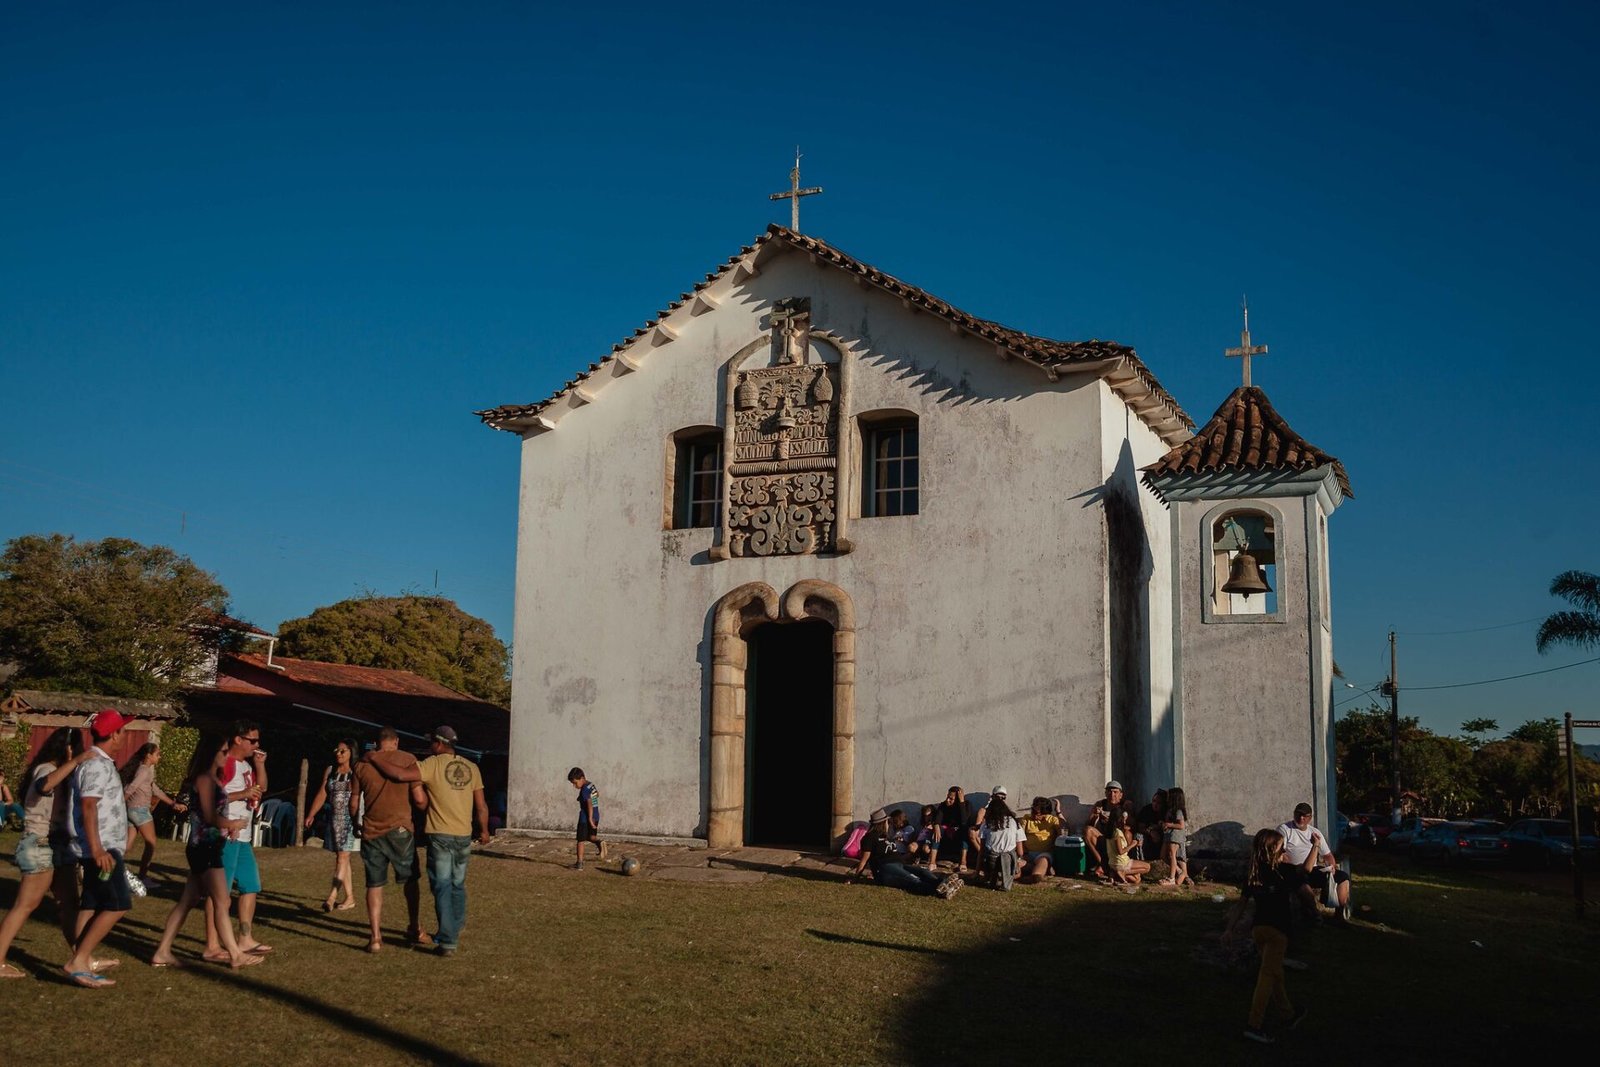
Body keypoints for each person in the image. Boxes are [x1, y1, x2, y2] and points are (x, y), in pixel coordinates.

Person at [367, 725, 491, 956]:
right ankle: (455, 924)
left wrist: (374, 757)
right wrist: (483, 830)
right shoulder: (471, 768)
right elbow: (481, 805)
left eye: (431, 742)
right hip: (463, 835)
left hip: (441, 835)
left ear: (439, 743)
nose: (429, 746)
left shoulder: (432, 764)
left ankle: (448, 941)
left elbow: (399, 774)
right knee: (457, 883)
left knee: (442, 885)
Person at [149, 738, 263, 971]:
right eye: (222, 751)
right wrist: (232, 823)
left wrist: (227, 828)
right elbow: (209, 816)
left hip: (209, 844)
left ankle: (162, 950)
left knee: (187, 901)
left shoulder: (212, 780)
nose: (225, 755)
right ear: (211, 755)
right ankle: (234, 953)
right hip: (204, 847)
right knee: (222, 901)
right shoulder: (204, 780)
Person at [0, 729, 95, 979]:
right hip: (40, 843)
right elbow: (44, 786)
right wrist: (75, 761)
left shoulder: (62, 772)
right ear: (66, 748)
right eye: (76, 747)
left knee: (69, 904)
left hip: (58, 845)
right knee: (26, 904)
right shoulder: (46, 769)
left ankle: (82, 958)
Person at [63, 709, 134, 988]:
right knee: (118, 905)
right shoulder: (95, 765)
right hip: (102, 847)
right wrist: (97, 849)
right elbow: (88, 805)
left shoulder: (102, 762)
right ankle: (78, 960)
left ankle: (83, 957)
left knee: (91, 903)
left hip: (102, 845)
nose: (124, 737)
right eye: (122, 731)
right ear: (114, 733)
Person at [207, 721, 271, 959]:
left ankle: (245, 937)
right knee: (219, 892)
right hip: (227, 833)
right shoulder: (227, 764)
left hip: (243, 835)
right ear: (238, 739)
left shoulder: (245, 765)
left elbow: (261, 787)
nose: (256, 745)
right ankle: (212, 944)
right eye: (252, 740)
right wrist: (243, 795)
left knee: (251, 885)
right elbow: (214, 797)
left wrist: (260, 765)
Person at [1240, 828, 1311, 1044]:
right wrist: (1315, 846)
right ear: (1274, 850)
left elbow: (1240, 905)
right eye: (1282, 846)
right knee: (1268, 975)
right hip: (1278, 931)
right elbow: (1306, 874)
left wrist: (1229, 929)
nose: (1285, 849)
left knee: (1275, 971)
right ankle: (1254, 1024)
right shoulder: (1283, 871)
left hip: (1258, 930)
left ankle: (1288, 1014)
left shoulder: (1255, 873)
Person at [356, 728, 423, 952]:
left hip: (372, 829)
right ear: (396, 741)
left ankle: (375, 936)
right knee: (410, 880)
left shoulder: (361, 765)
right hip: (400, 827)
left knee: (374, 884)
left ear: (376, 743)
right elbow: (419, 797)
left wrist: (355, 822)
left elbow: (354, 801)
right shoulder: (408, 760)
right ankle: (414, 926)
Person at [848, 808, 961, 899]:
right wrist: (855, 878)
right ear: (882, 823)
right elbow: (864, 860)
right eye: (888, 821)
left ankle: (944, 883)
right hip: (885, 869)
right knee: (912, 879)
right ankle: (940, 891)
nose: (889, 824)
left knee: (922, 871)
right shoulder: (869, 838)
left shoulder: (886, 836)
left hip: (899, 863)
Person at [304, 738, 361, 911]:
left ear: (351, 752)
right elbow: (322, 793)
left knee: (342, 858)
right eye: (337, 750)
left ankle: (332, 896)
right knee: (343, 858)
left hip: (349, 820)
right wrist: (311, 814)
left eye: (343, 751)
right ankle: (350, 897)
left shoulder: (356, 772)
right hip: (334, 819)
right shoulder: (330, 771)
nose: (339, 753)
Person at [121, 743, 186, 883]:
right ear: (149, 755)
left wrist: (173, 804)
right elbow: (131, 787)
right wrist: (119, 803)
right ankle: (143, 877)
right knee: (151, 843)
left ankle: (108, 869)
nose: (159, 757)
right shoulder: (144, 771)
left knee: (127, 846)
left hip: (132, 810)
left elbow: (155, 791)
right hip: (140, 811)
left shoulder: (145, 771)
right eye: (157, 754)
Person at [1277, 803, 1349, 916]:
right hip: (1294, 870)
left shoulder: (1314, 832)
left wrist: (1332, 866)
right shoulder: (1285, 829)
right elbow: (1281, 854)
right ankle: (1315, 913)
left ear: (1310, 818)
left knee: (1342, 877)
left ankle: (1340, 915)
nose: (1301, 818)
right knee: (1301, 881)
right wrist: (1293, 866)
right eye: (1298, 815)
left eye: (1305, 816)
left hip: (1313, 869)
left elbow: (1327, 855)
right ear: (1294, 814)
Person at [1084, 781, 1134, 880]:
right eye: (1109, 792)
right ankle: (1102, 864)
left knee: (1128, 834)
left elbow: (1133, 826)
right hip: (1105, 839)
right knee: (1087, 830)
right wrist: (1095, 816)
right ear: (1106, 793)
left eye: (1115, 792)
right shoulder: (1100, 804)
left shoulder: (1126, 805)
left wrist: (1113, 824)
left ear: (1121, 794)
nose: (1112, 795)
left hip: (1119, 840)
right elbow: (1089, 824)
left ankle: (1121, 865)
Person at [977, 787, 1025, 891]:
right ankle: (1007, 877)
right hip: (1008, 860)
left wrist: (977, 872)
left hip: (991, 861)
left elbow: (982, 851)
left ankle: (991, 877)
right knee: (1017, 858)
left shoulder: (986, 824)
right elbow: (1020, 852)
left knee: (990, 854)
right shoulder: (1015, 822)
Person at [1019, 796, 1067, 884]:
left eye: (1038, 814)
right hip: (1027, 854)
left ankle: (1035, 876)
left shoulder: (1052, 819)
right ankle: (1040, 869)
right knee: (1017, 864)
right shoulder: (1026, 818)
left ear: (1046, 813)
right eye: (1033, 812)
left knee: (1043, 861)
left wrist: (1058, 812)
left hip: (1044, 853)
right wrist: (1023, 853)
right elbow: (1019, 837)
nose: (1035, 815)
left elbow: (1064, 830)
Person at [568, 767, 605, 869]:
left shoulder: (584, 789)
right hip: (596, 815)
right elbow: (596, 795)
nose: (574, 786)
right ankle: (599, 842)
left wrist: (589, 818)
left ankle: (579, 863)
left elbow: (589, 803)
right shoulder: (590, 785)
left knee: (580, 840)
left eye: (575, 783)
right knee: (590, 837)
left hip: (585, 817)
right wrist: (582, 798)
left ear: (582, 778)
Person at [1158, 786, 1192, 888]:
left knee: (1172, 855)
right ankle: (1180, 871)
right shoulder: (1170, 810)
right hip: (1168, 834)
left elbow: (1181, 825)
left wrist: (1169, 825)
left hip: (1175, 835)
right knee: (1163, 855)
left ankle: (1171, 878)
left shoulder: (1178, 811)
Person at [1106, 810, 1150, 885]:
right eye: (1124, 819)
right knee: (1147, 867)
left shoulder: (1109, 831)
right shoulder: (1117, 833)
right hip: (1121, 862)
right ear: (1119, 819)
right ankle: (1122, 872)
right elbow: (1120, 851)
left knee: (1137, 879)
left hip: (1112, 863)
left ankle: (1114, 875)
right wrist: (1132, 844)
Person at [935, 786, 973, 873]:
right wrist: (936, 825)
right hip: (947, 833)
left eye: (951, 798)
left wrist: (961, 802)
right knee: (937, 829)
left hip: (959, 833)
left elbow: (964, 821)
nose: (947, 800)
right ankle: (932, 861)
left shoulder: (966, 805)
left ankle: (963, 861)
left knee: (965, 829)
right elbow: (938, 819)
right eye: (947, 797)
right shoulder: (943, 805)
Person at [1137, 788, 1168, 861]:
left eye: (1159, 803)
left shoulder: (1166, 812)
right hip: (1148, 835)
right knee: (1139, 837)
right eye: (1154, 801)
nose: (1155, 804)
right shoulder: (1146, 810)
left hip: (1162, 837)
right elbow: (1140, 827)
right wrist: (1150, 832)